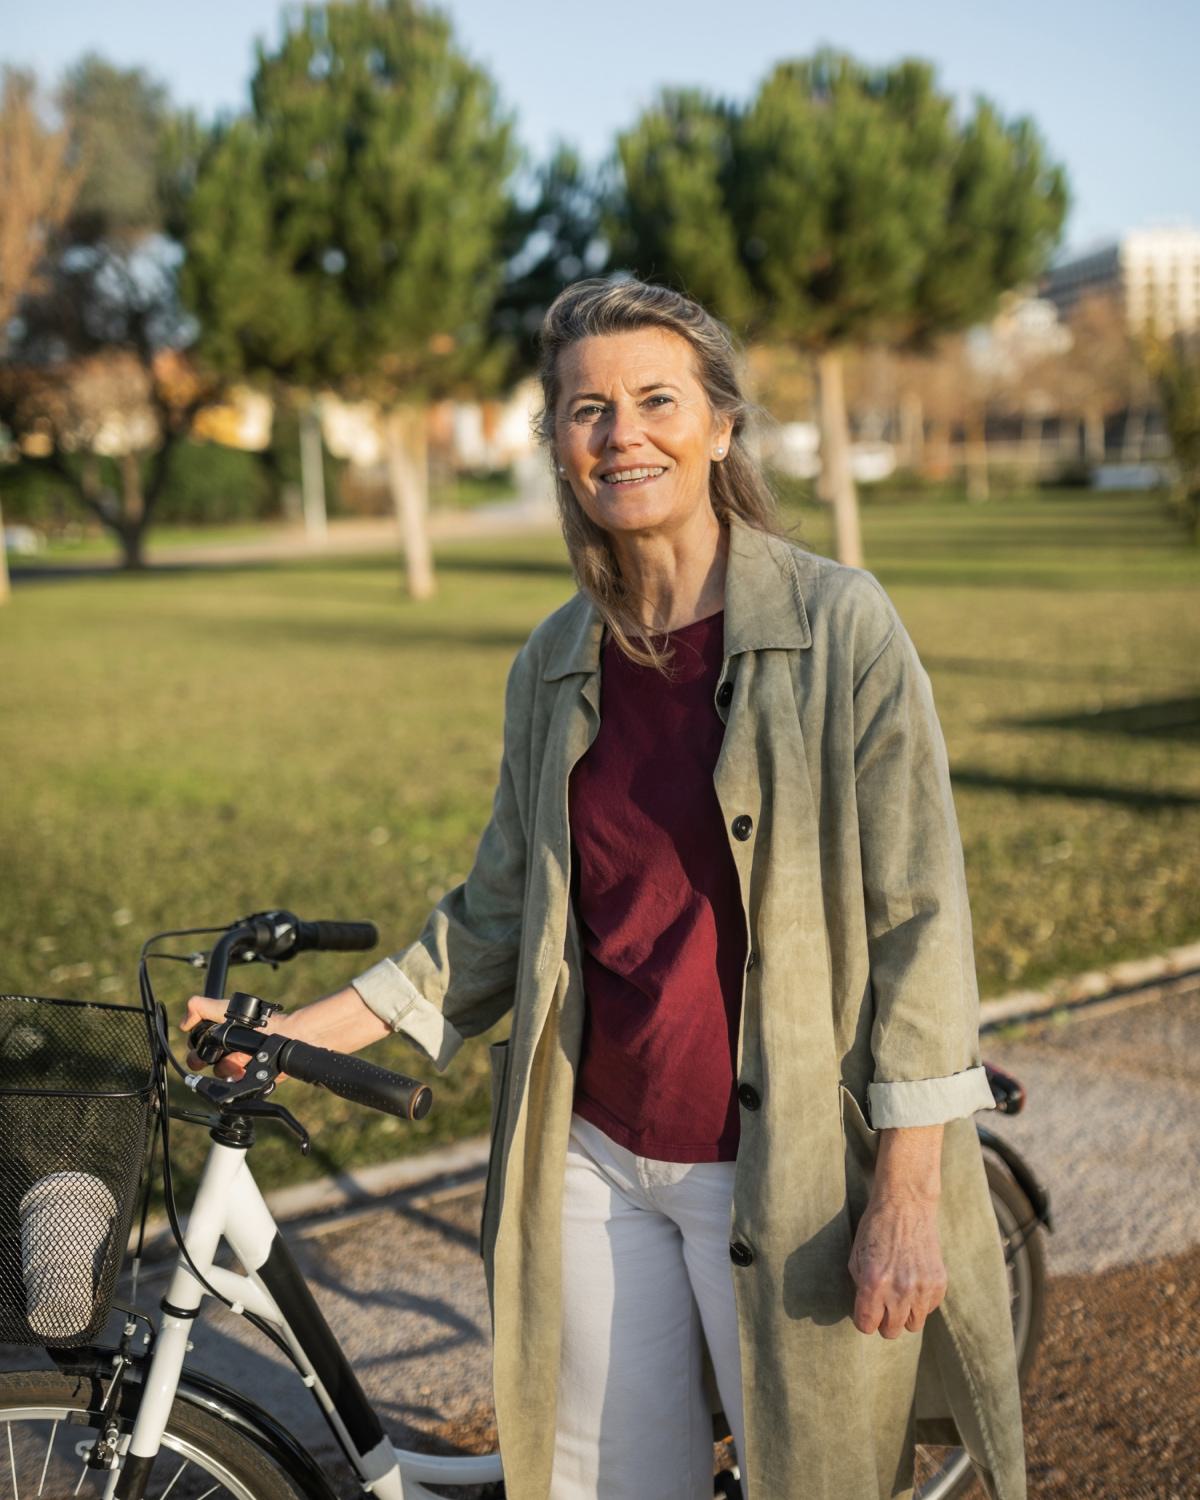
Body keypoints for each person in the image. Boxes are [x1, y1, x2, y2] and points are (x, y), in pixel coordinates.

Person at [186, 278, 1025, 1500]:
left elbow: (922, 926)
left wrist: (907, 1193)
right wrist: (291, 1032)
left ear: (721, 426)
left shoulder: (844, 629)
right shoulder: (552, 660)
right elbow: (489, 925)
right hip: (592, 1159)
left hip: (787, 1174)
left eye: (655, 401)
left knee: (817, 1480)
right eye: (588, 410)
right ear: (560, 448)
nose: (622, 434)